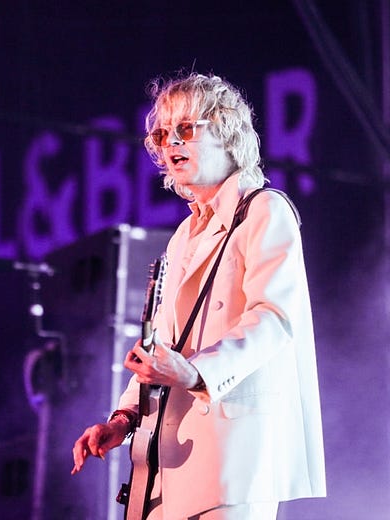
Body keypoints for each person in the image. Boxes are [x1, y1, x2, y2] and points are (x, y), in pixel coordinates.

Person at [72, 72, 326, 519]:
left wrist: (194, 373)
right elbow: (162, 346)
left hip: (233, 461)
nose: (170, 142)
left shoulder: (265, 209)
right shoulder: (184, 234)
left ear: (226, 132)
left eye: (186, 128)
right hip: (166, 459)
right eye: (161, 134)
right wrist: (123, 419)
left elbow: (274, 318)